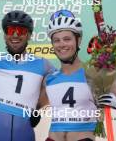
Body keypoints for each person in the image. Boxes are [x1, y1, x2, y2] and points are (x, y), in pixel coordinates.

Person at [0, 10, 55, 141]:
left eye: (21, 30)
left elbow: (62, 83)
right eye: (11, 30)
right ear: (5, 35)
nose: (16, 35)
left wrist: (37, 106)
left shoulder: (43, 64)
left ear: (28, 35)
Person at [45, 10, 98, 141]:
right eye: (56, 40)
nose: (62, 44)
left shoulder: (93, 74)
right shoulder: (50, 79)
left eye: (67, 39)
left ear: (78, 40)